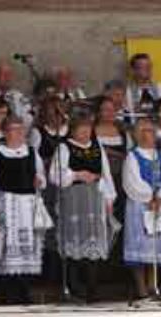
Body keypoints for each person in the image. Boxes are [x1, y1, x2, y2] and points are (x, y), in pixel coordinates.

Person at [50, 118, 117, 302]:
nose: (85, 133)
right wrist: (77, 174)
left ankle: (92, 289)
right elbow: (55, 175)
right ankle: (73, 287)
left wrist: (109, 198)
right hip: (74, 198)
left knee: (93, 243)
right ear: (73, 130)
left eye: (88, 128)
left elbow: (106, 173)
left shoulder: (97, 147)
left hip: (95, 198)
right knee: (74, 243)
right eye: (81, 128)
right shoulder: (65, 148)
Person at [0, 116, 46, 303]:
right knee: (7, 248)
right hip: (6, 205)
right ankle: (8, 292)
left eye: (21, 129)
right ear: (5, 132)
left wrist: (39, 181)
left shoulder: (32, 152)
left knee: (26, 249)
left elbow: (40, 176)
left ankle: (24, 290)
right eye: (13, 129)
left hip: (27, 206)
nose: (18, 133)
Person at [122, 120, 161, 306]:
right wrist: (149, 196)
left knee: (155, 249)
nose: (148, 133)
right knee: (141, 249)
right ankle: (141, 288)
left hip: (159, 205)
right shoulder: (133, 156)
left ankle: (153, 285)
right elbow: (132, 180)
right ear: (136, 134)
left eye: (151, 130)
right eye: (144, 130)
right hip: (141, 205)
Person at [0, 60, 33, 127]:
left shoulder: (18, 95)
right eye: (4, 74)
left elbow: (29, 113)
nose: (7, 78)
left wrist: (20, 120)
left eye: (9, 74)